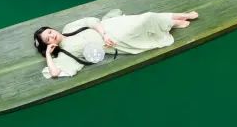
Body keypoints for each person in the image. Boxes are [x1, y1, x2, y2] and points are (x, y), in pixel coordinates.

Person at [33, 11, 199, 79]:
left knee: (144, 16)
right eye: (47, 39)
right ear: (49, 44)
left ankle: (181, 16)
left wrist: (104, 34)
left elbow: (91, 21)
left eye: (49, 32)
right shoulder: (65, 53)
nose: (51, 36)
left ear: (51, 29)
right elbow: (54, 73)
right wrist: (48, 54)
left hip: (109, 28)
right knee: (144, 21)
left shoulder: (69, 28)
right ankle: (171, 23)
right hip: (117, 42)